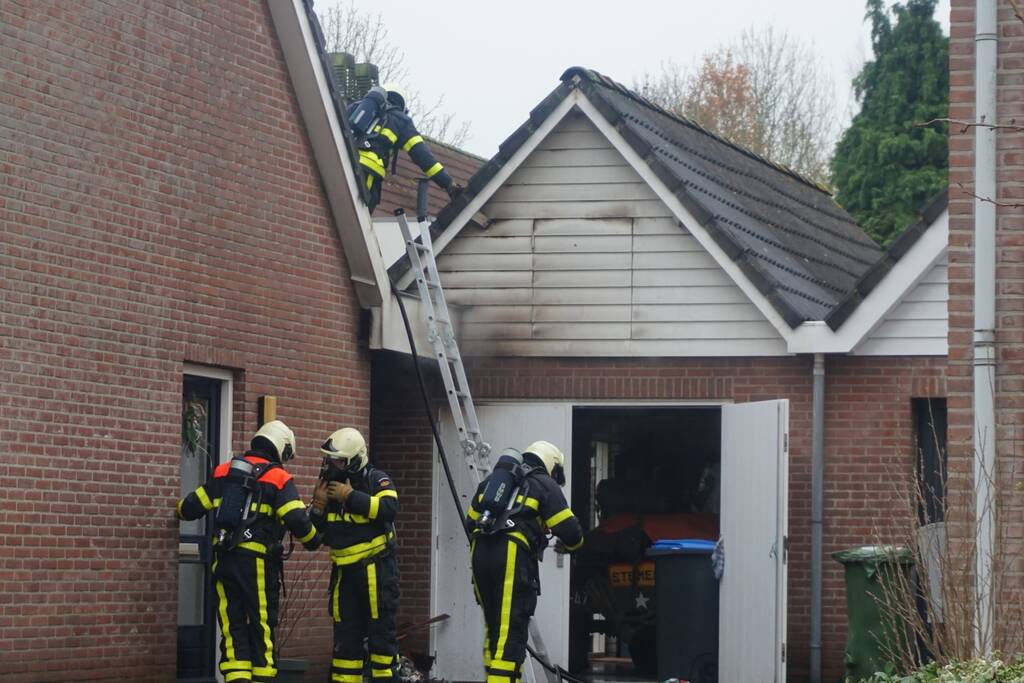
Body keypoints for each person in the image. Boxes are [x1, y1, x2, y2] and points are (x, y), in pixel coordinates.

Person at [176, 420, 320, 683]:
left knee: (232, 627)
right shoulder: (279, 478)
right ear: (281, 448)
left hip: (224, 560)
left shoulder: (224, 471)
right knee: (261, 625)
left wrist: (178, 509)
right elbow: (299, 522)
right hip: (257, 566)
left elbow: (189, 508)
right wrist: (315, 538)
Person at [465, 441, 584, 683]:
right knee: (511, 631)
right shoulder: (543, 483)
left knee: (495, 627)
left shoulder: (492, 482)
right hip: (510, 554)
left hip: (480, 554)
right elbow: (571, 532)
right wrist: (572, 547)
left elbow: (470, 522)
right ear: (552, 464)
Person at [310, 427, 400, 683]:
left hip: (375, 574)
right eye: (330, 460)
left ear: (354, 460)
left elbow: (389, 508)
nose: (332, 466)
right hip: (344, 575)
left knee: (381, 641)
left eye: (338, 461)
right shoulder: (330, 489)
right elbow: (317, 537)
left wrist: (351, 497)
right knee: (345, 644)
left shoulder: (376, 479)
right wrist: (317, 508)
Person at [347, 82, 462, 212]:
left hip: (343, 159)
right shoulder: (402, 120)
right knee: (357, 213)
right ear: (402, 105)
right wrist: (448, 183)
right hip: (367, 171)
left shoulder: (356, 107)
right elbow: (423, 157)